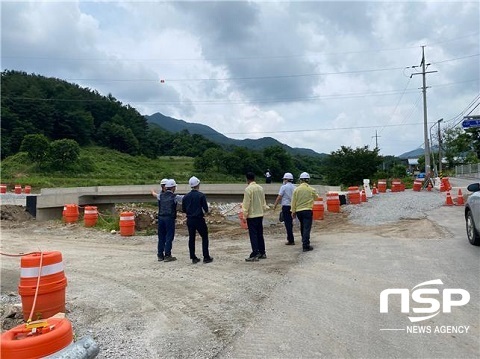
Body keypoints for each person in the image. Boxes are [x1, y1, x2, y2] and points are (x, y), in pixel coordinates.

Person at [182, 176, 214, 264]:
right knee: (204, 237)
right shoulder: (201, 195)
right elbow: (206, 209)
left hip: (190, 220)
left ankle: (193, 257)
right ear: (198, 184)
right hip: (199, 219)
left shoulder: (185, 197)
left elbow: (184, 210)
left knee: (191, 238)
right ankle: (206, 256)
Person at [242, 172, 268, 261]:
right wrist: (264, 209)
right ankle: (262, 252)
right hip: (260, 214)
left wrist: (244, 215)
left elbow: (246, 204)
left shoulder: (248, 189)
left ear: (247, 179)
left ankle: (255, 253)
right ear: (254, 178)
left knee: (253, 235)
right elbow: (263, 201)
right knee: (260, 234)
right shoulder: (260, 188)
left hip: (252, 216)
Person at [151, 179, 178, 262]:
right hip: (169, 218)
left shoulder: (160, 196)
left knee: (161, 237)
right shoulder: (175, 197)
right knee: (169, 237)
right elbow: (184, 199)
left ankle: (160, 255)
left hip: (161, 218)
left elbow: (155, 195)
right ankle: (167, 255)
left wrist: (152, 191)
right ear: (173, 187)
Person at [291, 172, 317, 252]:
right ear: (308, 180)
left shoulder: (296, 190)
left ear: (300, 180)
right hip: (307, 210)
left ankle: (304, 241)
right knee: (306, 228)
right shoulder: (311, 189)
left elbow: (293, 201)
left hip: (299, 211)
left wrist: (293, 211)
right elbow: (316, 197)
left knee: (302, 227)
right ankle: (305, 245)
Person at [273, 172, 296, 245]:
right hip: (293, 206)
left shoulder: (284, 187)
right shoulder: (295, 187)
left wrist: (275, 205)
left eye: (284, 179)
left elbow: (279, 197)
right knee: (291, 223)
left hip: (286, 207)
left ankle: (291, 239)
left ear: (286, 179)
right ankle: (290, 238)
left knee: (287, 223)